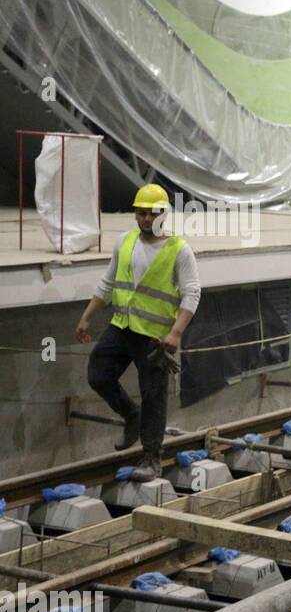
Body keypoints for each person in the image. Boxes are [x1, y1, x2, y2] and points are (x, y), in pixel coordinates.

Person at [76, 184, 199, 481]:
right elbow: (107, 283)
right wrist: (86, 318)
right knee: (98, 374)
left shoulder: (179, 250)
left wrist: (177, 333)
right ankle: (132, 416)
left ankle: (151, 458)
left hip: (155, 338)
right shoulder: (125, 242)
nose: (146, 218)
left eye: (152, 213)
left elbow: (192, 294)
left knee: (154, 396)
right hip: (123, 326)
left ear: (163, 215)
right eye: (141, 213)